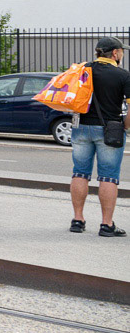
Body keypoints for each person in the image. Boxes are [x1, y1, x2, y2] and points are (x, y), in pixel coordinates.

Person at [71, 36, 127, 237]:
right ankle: (106, 224)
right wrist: (125, 128)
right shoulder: (122, 75)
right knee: (108, 176)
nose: (122, 54)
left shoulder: (82, 70)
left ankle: (77, 220)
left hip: (80, 127)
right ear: (114, 53)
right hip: (109, 130)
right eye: (122, 51)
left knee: (79, 173)